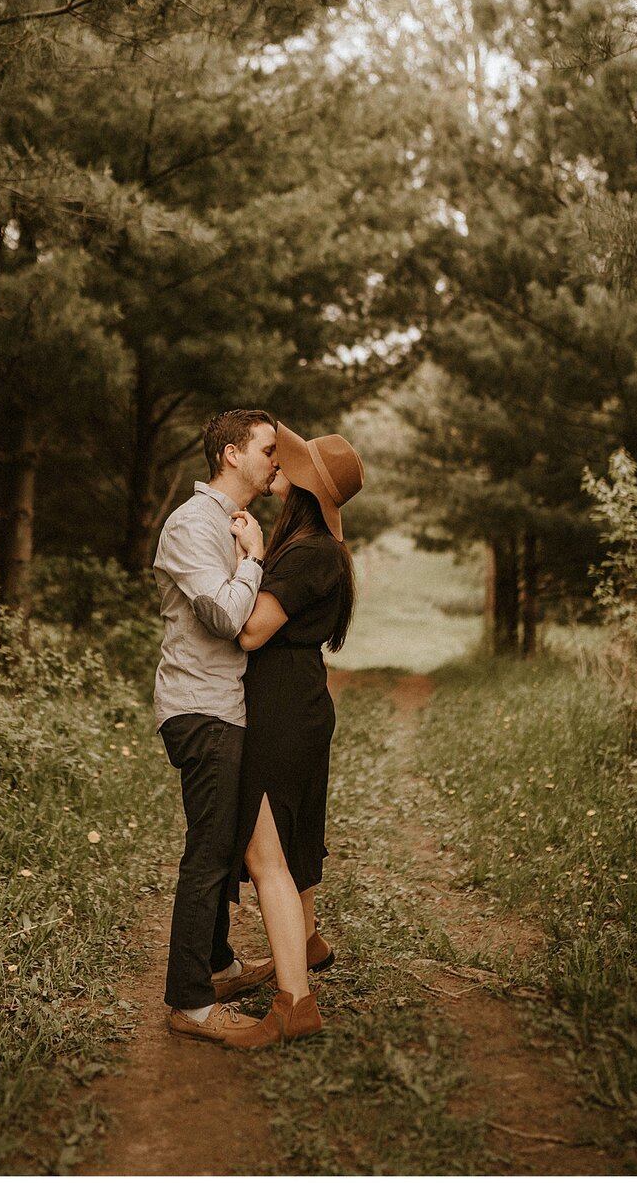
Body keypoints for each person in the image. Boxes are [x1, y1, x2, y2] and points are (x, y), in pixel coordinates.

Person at [220, 421, 363, 1050]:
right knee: (295, 831)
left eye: (288, 461)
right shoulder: (318, 547)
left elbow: (251, 632)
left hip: (281, 703)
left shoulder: (308, 552)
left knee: (264, 849)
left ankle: (294, 1001)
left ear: (304, 484)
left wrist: (250, 559)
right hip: (298, 698)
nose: (277, 464)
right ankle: (304, 943)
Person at [153, 408, 281, 1042]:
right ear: (231, 454)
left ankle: (221, 965)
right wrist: (253, 559)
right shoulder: (190, 525)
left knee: (223, 846)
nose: (275, 458)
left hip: (223, 704)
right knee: (207, 855)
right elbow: (226, 619)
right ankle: (190, 1003)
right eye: (267, 447)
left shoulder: (230, 522)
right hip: (197, 707)